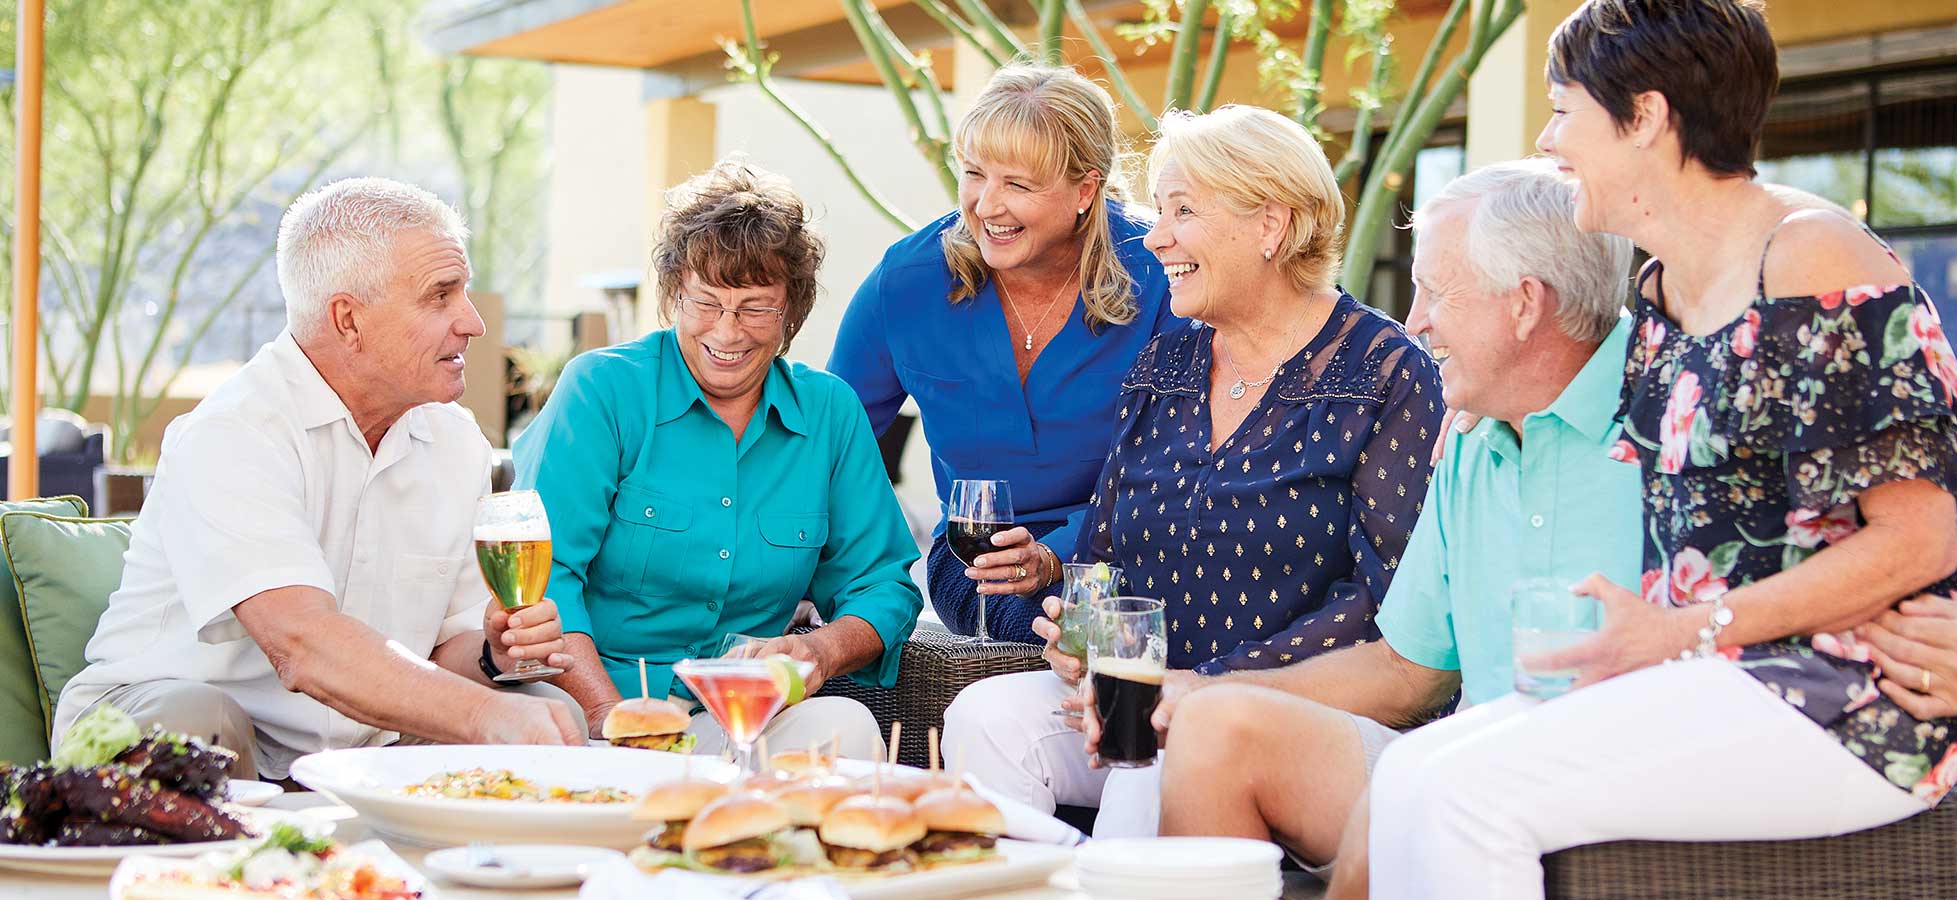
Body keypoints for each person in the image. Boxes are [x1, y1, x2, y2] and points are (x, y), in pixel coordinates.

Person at [1366, 3, 1957, 898]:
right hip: (1701, 686)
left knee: (1465, 795)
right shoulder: (1662, 293)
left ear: (1646, 117)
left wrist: (1676, 632)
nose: (1548, 140)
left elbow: (1917, 544)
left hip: (1843, 703)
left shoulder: (1813, 258)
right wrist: (1475, 402)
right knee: (1406, 774)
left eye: (1564, 110)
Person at [1115, 159, 1639, 885]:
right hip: (1463, 757)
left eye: (1436, 291)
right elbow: (1408, 670)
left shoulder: (1670, 429)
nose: (1415, 321)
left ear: (1524, 305)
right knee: (1212, 728)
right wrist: (1205, 690)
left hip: (1614, 775)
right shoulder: (1470, 436)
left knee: (1417, 793)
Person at [944, 105, 1442, 830]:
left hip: (1299, 716)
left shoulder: (1386, 375)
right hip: (1150, 695)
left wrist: (1200, 687)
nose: (1155, 236)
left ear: (1270, 225)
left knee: (1159, 760)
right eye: (1159, 209)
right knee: (985, 718)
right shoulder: (1167, 363)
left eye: (1183, 210)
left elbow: (1384, 610)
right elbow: (1103, 556)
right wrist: (1081, 641)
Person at [53, 178, 584, 780]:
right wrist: (484, 716)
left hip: (359, 747)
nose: (474, 322)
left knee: (551, 711)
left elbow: (443, 655)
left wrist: (492, 653)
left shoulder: (457, 442)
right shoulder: (234, 432)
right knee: (199, 724)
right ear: (348, 320)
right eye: (440, 296)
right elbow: (302, 644)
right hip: (170, 723)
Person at [514, 161, 920, 757]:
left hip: (739, 713)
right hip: (589, 705)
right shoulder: (601, 390)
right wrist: (610, 717)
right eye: (706, 302)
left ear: (792, 312)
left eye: (755, 308)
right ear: (674, 295)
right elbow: (543, 576)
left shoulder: (830, 412)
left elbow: (882, 585)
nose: (727, 333)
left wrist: (820, 650)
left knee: (847, 729)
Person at [828, 64, 1173, 643]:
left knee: (1106, 622)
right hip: (979, 560)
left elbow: (1184, 462)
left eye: (1018, 184)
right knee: (1052, 629)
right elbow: (828, 443)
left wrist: (1057, 555)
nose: (987, 205)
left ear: (1085, 190)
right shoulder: (909, 280)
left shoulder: (1161, 276)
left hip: (1134, 544)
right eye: (973, 174)